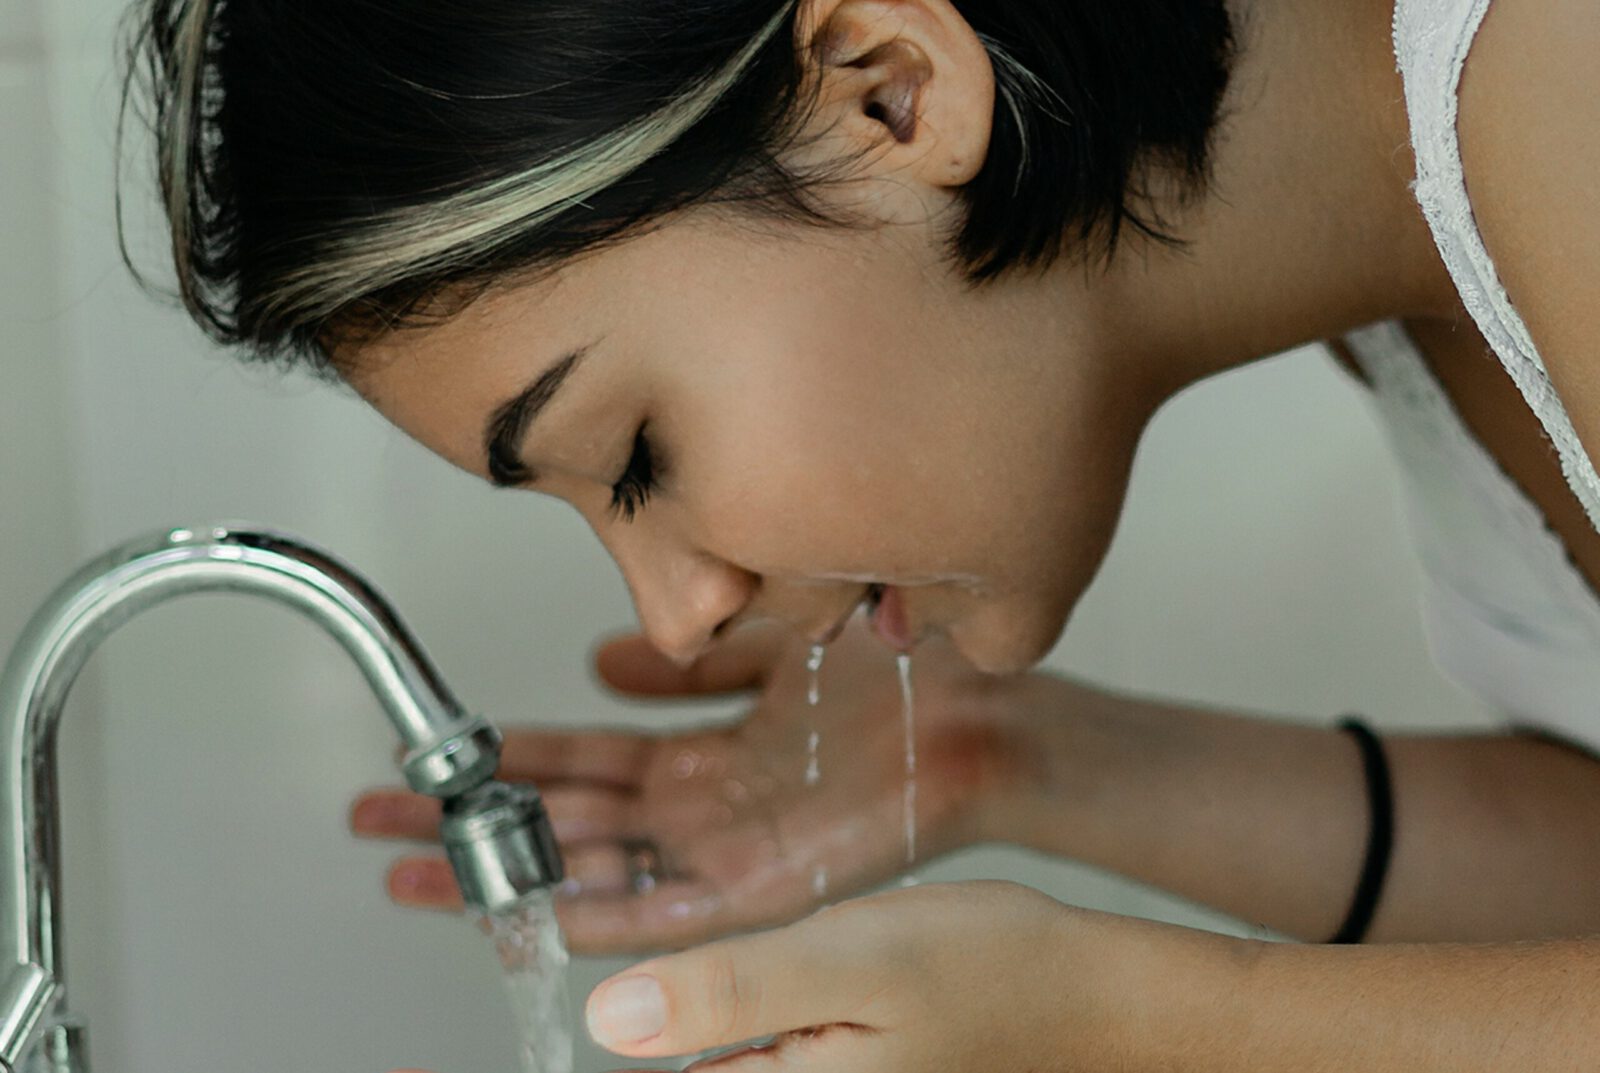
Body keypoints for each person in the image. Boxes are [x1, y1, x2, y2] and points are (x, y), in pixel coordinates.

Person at [123, 0, 1600, 1067]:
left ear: (889, 89)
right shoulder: (1403, 271)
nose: (680, 612)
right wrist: (1012, 758)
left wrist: (1143, 1024)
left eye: (638, 454)